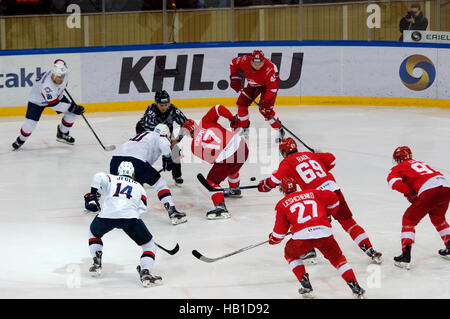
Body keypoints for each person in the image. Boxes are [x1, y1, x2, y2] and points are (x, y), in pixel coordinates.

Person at [258, 138, 382, 264]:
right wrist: (319, 161)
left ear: (284, 152)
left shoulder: (286, 162)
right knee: (349, 223)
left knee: (302, 218)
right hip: (333, 190)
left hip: (317, 196)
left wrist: (265, 185)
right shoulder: (310, 154)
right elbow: (331, 159)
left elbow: (276, 178)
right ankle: (370, 250)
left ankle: (309, 251)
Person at [269, 177, 365, 299]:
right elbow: (333, 198)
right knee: (338, 258)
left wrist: (272, 239)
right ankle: (355, 286)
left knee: (290, 254)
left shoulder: (282, 204)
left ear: (281, 190)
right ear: (296, 186)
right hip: (324, 233)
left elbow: (279, 234)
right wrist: (329, 213)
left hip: (302, 239)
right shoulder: (313, 192)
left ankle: (306, 285)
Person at [83, 161, 162, 287]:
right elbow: (142, 209)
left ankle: (96, 261)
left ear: (119, 171)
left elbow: (98, 176)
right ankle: (146, 273)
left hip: (106, 217)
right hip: (130, 218)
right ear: (133, 173)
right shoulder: (139, 187)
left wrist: (93, 193)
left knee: (93, 233)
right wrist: (130, 224)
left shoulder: (111, 178)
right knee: (149, 246)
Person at [110, 123, 187, 225]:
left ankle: (98, 198)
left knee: (128, 184)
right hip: (137, 162)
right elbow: (164, 144)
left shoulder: (143, 135)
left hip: (115, 161)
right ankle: (173, 212)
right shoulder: (161, 136)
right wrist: (168, 158)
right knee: (160, 183)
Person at [387, 146, 450, 269]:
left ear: (399, 159)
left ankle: (405, 256)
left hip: (429, 189)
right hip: (445, 185)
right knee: (438, 218)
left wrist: (409, 192)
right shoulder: (421, 163)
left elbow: (393, 182)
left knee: (409, 219)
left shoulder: (398, 167)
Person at [182, 104, 247, 219]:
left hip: (229, 156)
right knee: (231, 168)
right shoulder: (205, 121)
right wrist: (232, 118)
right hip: (242, 145)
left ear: (188, 134)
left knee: (212, 180)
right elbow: (218, 107)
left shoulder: (194, 146)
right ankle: (234, 189)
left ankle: (220, 208)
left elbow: (213, 160)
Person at [12, 59, 85, 150]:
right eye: (58, 77)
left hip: (56, 95)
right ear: (53, 75)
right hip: (37, 101)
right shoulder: (47, 86)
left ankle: (62, 134)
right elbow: (55, 105)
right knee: (30, 124)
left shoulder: (65, 72)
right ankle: (20, 140)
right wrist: (72, 107)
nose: (61, 79)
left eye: (62, 76)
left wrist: (72, 109)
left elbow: (59, 61)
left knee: (72, 114)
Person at [229, 50, 285, 142]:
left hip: (268, 88)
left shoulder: (270, 69)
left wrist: (266, 102)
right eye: (255, 63)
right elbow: (233, 63)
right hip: (253, 85)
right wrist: (234, 76)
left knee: (265, 111)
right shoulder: (244, 61)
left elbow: (272, 89)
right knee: (241, 106)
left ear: (263, 61)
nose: (257, 66)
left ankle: (280, 129)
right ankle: (245, 129)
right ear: (251, 60)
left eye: (260, 64)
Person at [136, 90, 188, 185]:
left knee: (175, 150)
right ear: (156, 103)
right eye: (161, 105)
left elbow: (186, 124)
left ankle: (177, 175)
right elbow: (149, 127)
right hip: (146, 131)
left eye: (166, 104)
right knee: (146, 153)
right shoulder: (151, 110)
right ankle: (139, 174)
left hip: (166, 133)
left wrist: (177, 139)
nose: (164, 107)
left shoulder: (173, 110)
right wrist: (166, 140)